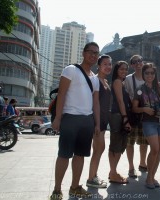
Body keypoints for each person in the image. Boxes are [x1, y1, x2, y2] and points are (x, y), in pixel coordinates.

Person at [50, 42, 100, 200]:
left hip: (87, 120)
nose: (93, 55)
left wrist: (97, 123)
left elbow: (96, 103)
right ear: (83, 53)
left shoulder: (95, 78)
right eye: (90, 52)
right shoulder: (70, 69)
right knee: (64, 155)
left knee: (80, 155)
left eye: (96, 53)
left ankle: (75, 187)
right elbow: (62, 94)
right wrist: (58, 118)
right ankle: (57, 190)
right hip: (70, 118)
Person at [132, 63, 160, 189]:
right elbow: (134, 108)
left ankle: (152, 177)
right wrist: (144, 109)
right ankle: (148, 178)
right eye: (147, 73)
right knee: (154, 148)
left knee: (158, 151)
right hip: (148, 122)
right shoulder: (139, 89)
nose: (149, 75)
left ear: (155, 74)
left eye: (152, 73)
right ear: (143, 74)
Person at [87, 55, 112, 188]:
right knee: (99, 149)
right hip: (96, 120)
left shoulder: (105, 82)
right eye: (105, 64)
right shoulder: (95, 80)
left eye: (109, 64)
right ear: (99, 66)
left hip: (103, 120)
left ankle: (93, 175)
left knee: (98, 149)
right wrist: (96, 123)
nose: (108, 67)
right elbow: (93, 102)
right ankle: (91, 178)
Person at [123, 55, 148, 178]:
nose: (138, 63)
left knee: (144, 141)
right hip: (132, 113)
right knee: (130, 141)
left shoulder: (148, 77)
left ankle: (143, 163)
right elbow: (125, 95)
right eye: (135, 62)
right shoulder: (128, 79)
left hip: (145, 114)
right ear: (132, 65)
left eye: (140, 60)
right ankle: (131, 167)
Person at [108, 61, 131, 184]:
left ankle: (113, 172)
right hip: (118, 116)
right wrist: (125, 118)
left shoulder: (121, 82)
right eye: (121, 69)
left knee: (120, 145)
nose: (124, 71)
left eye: (126, 69)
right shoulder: (117, 82)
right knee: (116, 145)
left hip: (119, 116)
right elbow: (120, 101)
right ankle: (113, 174)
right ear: (116, 70)